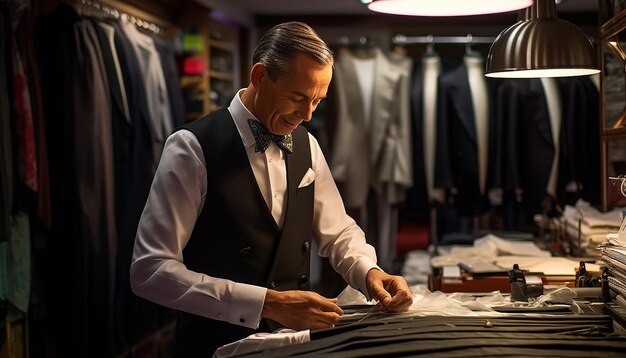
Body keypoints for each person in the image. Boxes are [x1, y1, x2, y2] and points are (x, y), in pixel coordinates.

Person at [130, 21, 413, 357]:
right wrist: (266, 304)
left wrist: (370, 272)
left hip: (297, 346)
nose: (307, 115)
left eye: (318, 101)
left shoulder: (307, 144)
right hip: (214, 347)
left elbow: (337, 232)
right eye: (298, 97)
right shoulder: (191, 148)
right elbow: (150, 271)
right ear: (260, 77)